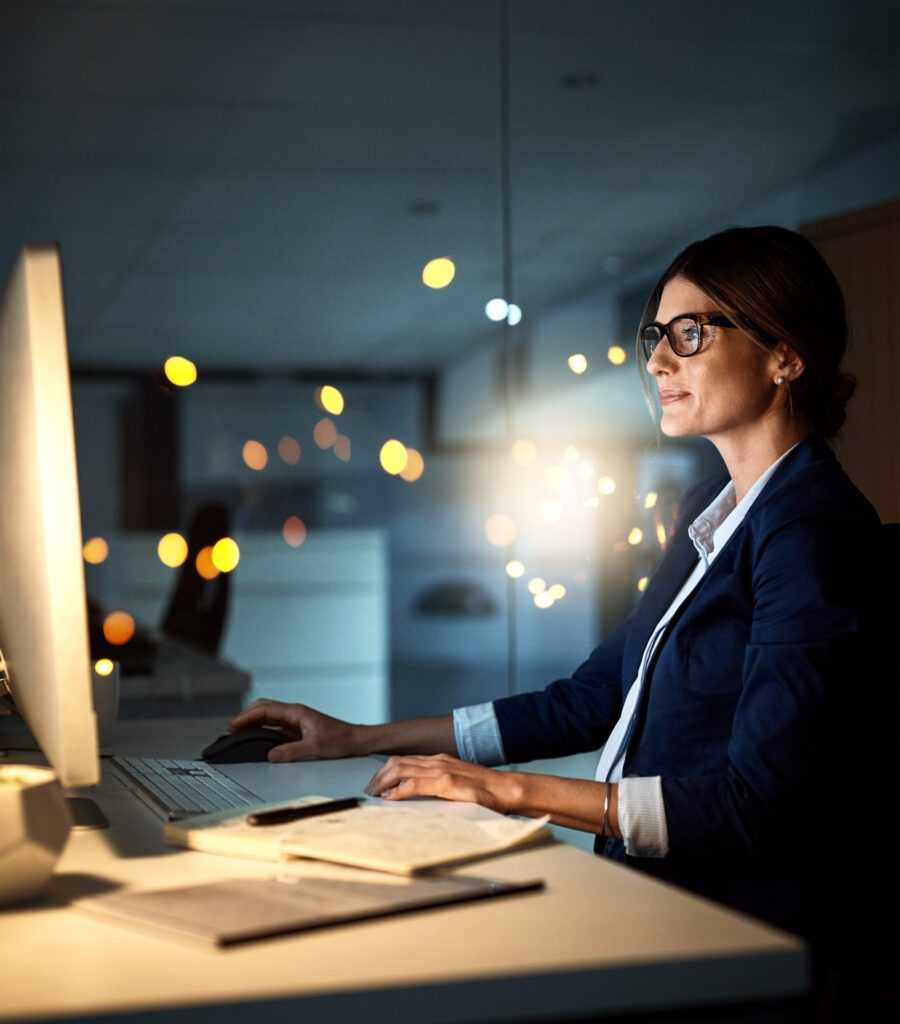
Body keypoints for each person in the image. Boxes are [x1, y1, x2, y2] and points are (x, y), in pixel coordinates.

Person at [230, 226, 884, 983]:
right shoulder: (713, 505)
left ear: (785, 355)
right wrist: (358, 738)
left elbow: (753, 804)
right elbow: (594, 696)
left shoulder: (809, 529)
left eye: (691, 332)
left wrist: (506, 791)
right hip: (650, 900)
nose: (658, 359)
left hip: (730, 934)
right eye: (655, 336)